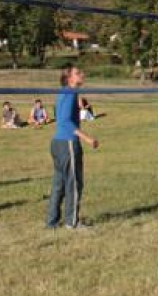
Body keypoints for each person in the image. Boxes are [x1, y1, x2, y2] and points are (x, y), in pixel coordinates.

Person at [46, 65, 100, 229]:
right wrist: (87, 138)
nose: (82, 74)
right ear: (69, 78)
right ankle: (72, 222)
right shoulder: (69, 92)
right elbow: (65, 121)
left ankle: (52, 222)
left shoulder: (67, 92)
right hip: (67, 142)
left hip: (57, 143)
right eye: (78, 73)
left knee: (59, 184)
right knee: (74, 183)